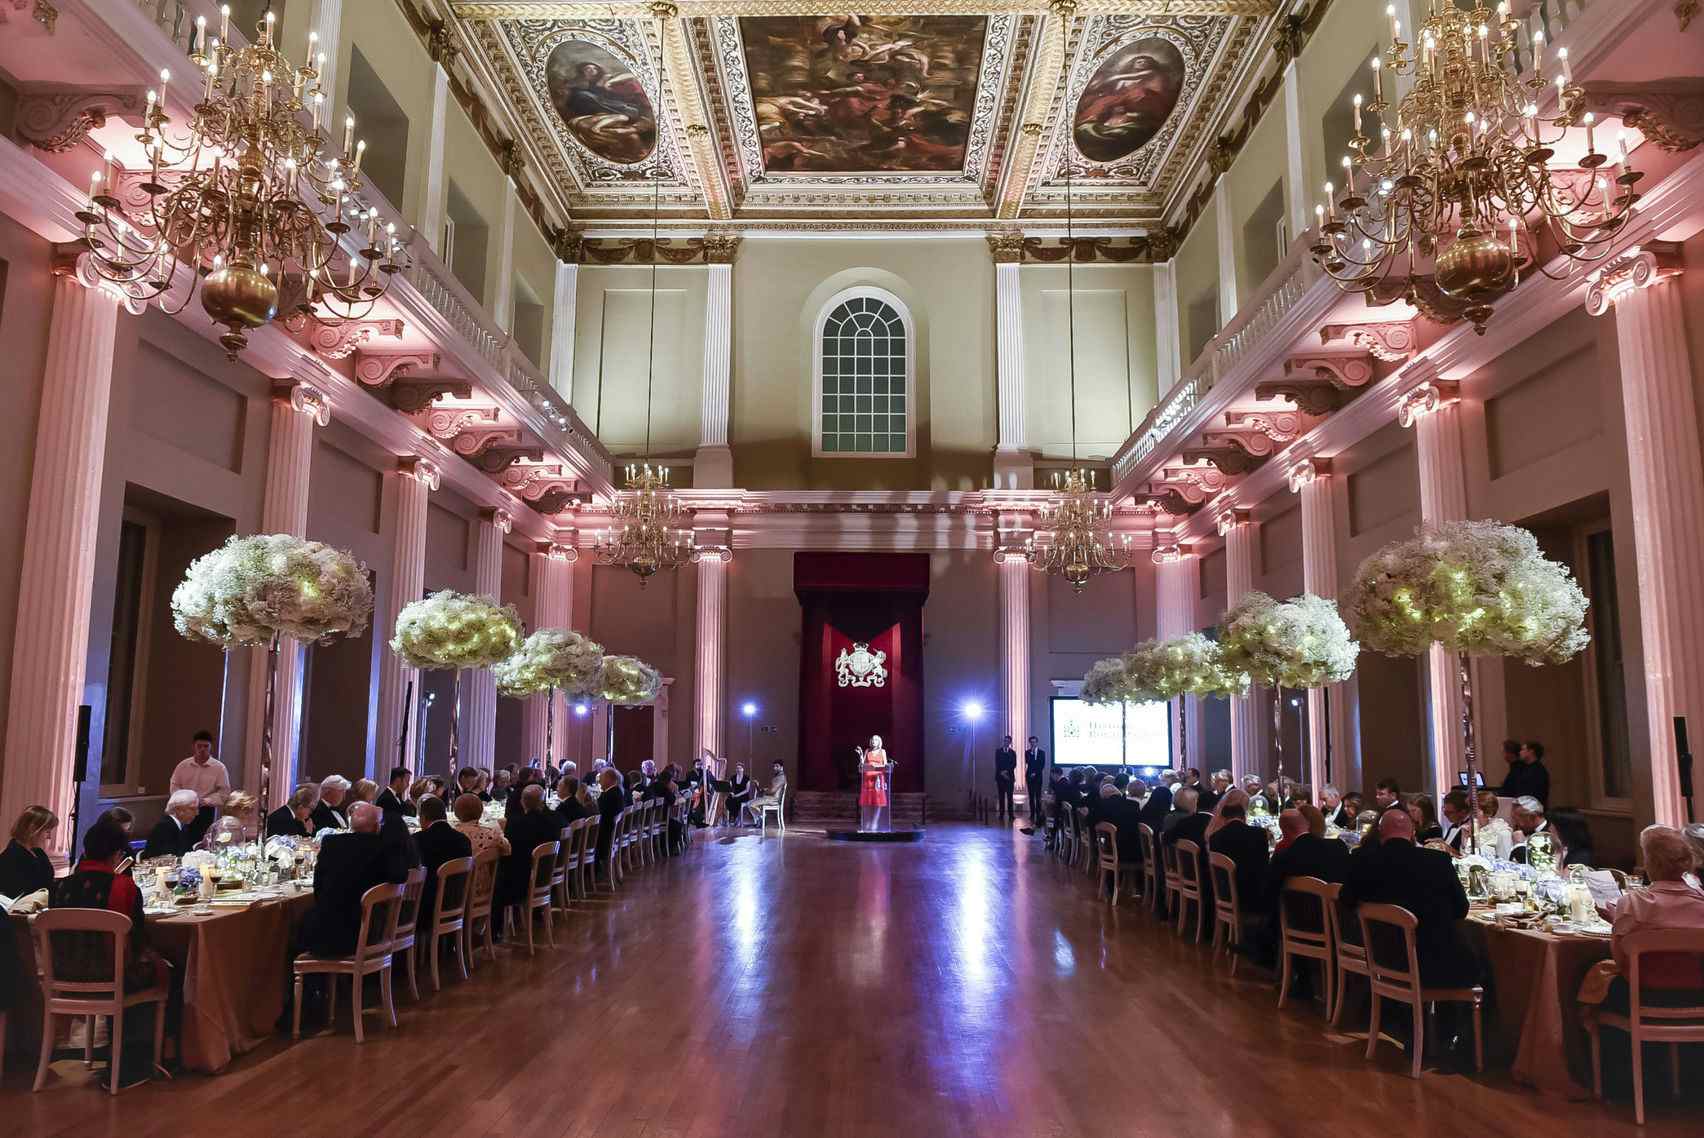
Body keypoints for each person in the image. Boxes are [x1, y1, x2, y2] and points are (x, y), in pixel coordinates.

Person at [50, 814, 170, 1086]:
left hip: (65, 977)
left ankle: (113, 1053)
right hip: (113, 977)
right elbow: (138, 938)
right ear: (117, 854)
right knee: (169, 968)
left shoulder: (61, 886)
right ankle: (138, 1061)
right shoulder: (124, 886)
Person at [1343, 808, 1477, 986]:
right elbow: (1461, 909)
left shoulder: (1362, 860)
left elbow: (1346, 900)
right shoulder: (1438, 861)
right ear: (1413, 833)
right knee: (1482, 961)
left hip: (1382, 957)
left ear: (1380, 832)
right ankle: (1452, 1013)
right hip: (1434, 963)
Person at [1600, 825, 1704, 1011]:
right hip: (1698, 997)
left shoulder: (1631, 904)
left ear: (1649, 864)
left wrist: (1618, 921)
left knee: (1591, 981)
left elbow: (1621, 960)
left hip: (1644, 997)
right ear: (1688, 862)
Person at [298, 803, 409, 958]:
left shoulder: (331, 843)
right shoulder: (384, 847)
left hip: (324, 932)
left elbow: (318, 887)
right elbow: (400, 876)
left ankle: (314, 980)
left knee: (301, 923)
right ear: (377, 826)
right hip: (367, 933)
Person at [411, 796, 472, 921]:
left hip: (426, 907)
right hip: (457, 901)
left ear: (422, 817)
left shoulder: (418, 840)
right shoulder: (463, 840)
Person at [1208, 797, 1269, 916]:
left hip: (1226, 892)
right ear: (1244, 816)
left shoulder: (1214, 837)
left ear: (1224, 819)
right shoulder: (1259, 834)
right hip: (1254, 890)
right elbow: (1264, 863)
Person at [168, 728, 229, 839]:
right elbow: (174, 785)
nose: (202, 749)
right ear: (193, 747)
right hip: (183, 809)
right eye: (199, 746)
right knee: (181, 838)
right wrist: (182, 800)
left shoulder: (219, 768)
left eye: (206, 746)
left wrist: (206, 801)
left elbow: (224, 793)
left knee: (201, 840)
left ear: (211, 747)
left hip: (205, 810)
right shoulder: (183, 765)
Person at [0, 805, 57, 898]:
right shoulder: (10, 857)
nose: (49, 837)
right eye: (47, 831)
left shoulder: (39, 853)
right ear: (33, 829)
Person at [143, 789, 202, 859]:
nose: (197, 813)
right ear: (178, 809)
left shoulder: (183, 827)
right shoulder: (164, 828)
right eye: (192, 809)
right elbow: (169, 857)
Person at [1510, 795, 1567, 866]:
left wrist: (1519, 844)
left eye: (1517, 819)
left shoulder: (1551, 835)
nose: (1515, 823)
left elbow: (1536, 866)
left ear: (1532, 817)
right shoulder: (1522, 830)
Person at [451, 793, 510, 861]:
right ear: (481, 812)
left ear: (455, 813)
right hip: (484, 871)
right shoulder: (492, 834)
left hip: (459, 871)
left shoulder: (451, 835)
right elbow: (508, 850)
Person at [1499, 739, 1551, 806]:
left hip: (1531, 810)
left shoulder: (1538, 771)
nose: (1520, 752)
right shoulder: (1526, 769)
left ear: (1531, 752)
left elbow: (1531, 794)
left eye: (1523, 749)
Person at [594, 767, 627, 870]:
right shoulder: (617, 792)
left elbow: (598, 813)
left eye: (602, 778)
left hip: (605, 834)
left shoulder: (609, 795)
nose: (599, 781)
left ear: (609, 779)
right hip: (612, 832)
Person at [743, 761, 788, 827]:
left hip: (773, 799)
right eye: (774, 766)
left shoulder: (781, 777)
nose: (775, 768)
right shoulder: (778, 777)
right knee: (750, 803)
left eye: (777, 766)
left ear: (781, 767)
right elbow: (772, 789)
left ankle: (762, 819)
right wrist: (760, 788)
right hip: (770, 798)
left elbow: (772, 791)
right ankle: (760, 821)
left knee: (750, 804)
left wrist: (764, 790)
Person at [1439, 789, 1473, 854]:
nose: (1445, 815)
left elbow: (1466, 856)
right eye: (1444, 810)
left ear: (1463, 812)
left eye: (1449, 812)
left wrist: (1445, 847)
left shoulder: (1469, 829)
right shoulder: (1453, 826)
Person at [993, 735, 1018, 823]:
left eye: (1008, 741)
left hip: (1009, 777)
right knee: (1001, 796)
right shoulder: (998, 751)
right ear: (1003, 741)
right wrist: (1002, 772)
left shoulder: (1013, 752)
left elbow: (1014, 764)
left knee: (1010, 797)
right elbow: (997, 763)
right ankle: (1001, 814)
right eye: (1005, 741)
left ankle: (1011, 815)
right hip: (1000, 777)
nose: (1006, 742)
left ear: (1010, 742)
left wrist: (1006, 771)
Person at [1024, 737, 1047, 825]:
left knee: (1038, 796)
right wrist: (1032, 754)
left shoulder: (1042, 753)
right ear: (1030, 743)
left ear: (1037, 742)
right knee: (1031, 796)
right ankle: (1032, 813)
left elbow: (1042, 765)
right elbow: (1028, 762)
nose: (1033, 744)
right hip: (1029, 776)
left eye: (1034, 742)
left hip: (1038, 777)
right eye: (1031, 742)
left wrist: (1035, 773)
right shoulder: (1027, 752)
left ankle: (1038, 813)